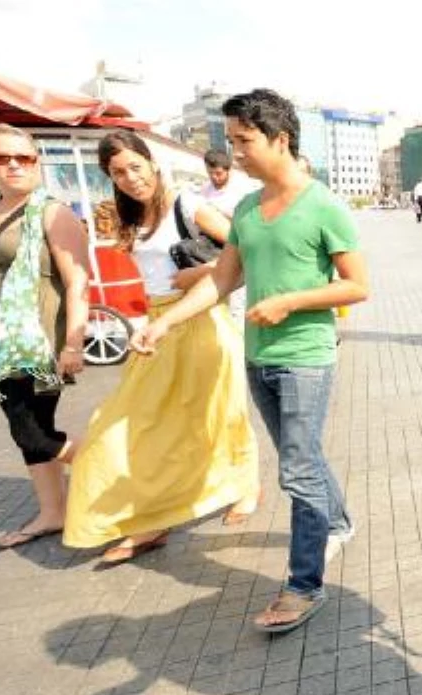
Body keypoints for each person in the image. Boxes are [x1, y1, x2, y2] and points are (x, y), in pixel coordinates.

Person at [131, 88, 369, 633]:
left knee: (297, 468)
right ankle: (338, 521)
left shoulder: (324, 206)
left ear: (279, 139)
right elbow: (221, 278)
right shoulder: (244, 208)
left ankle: (304, 585)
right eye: (231, 141)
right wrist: (164, 323)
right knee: (301, 455)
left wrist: (290, 300)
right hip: (258, 355)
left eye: (244, 140)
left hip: (306, 356)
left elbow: (358, 287)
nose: (235, 153)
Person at [62, 130, 261, 563]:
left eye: (135, 166)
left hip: (201, 320)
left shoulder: (186, 204)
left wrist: (201, 271)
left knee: (218, 413)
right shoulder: (129, 215)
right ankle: (153, 515)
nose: (130, 178)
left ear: (152, 163)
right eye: (118, 172)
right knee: (133, 421)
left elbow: (247, 250)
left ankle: (242, 484)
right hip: (156, 325)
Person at [0, 124, 90, 548]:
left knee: (32, 431)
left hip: (36, 339)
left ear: (36, 161)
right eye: (1, 157)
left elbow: (78, 279)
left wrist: (72, 344)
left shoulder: (52, 212)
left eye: (23, 158)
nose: (13, 165)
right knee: (24, 426)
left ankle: (120, 468)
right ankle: (53, 512)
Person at [200, 148, 254, 323]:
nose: (215, 178)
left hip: (239, 249)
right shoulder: (204, 190)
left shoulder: (244, 189)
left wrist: (223, 216)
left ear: (228, 169)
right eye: (210, 174)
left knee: (238, 302)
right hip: (213, 251)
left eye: (219, 173)